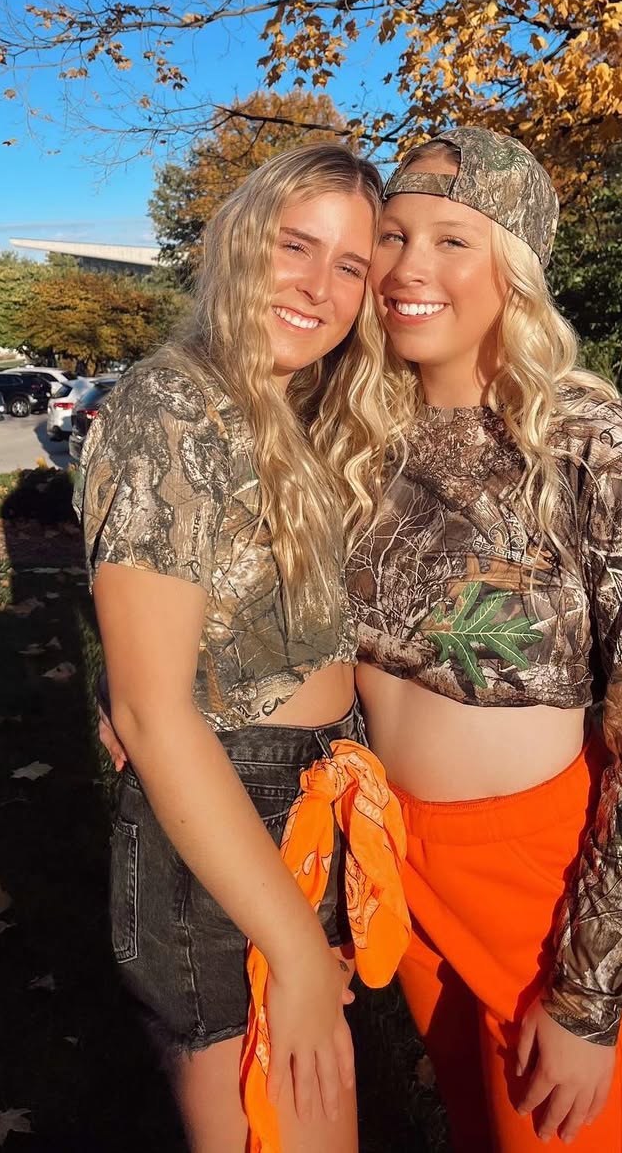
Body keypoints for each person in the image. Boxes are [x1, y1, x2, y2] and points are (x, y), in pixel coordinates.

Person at [331, 128, 622, 1151]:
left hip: (533, 889)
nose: (407, 267)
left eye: (453, 240)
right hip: (394, 855)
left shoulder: (597, 450)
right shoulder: (358, 430)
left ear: (516, 268)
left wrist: (588, 996)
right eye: (394, 235)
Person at [76, 143, 391, 1153]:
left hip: (299, 798)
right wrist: (294, 950)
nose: (319, 286)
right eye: (296, 246)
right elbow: (152, 711)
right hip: (226, 814)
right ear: (241, 242)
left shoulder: (283, 407)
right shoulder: (171, 410)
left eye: (350, 264)